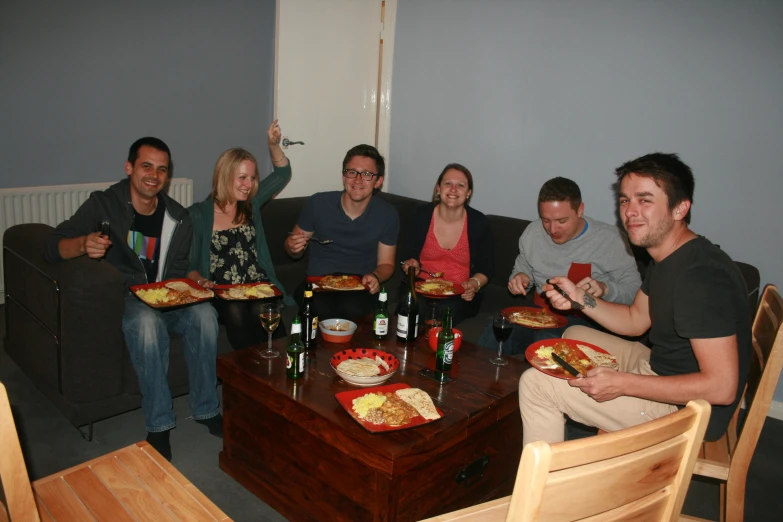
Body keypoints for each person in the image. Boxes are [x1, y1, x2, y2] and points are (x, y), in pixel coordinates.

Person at [520, 152, 751, 445]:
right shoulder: (668, 257)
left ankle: (546, 488)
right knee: (573, 334)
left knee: (536, 384)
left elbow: (722, 387)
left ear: (680, 208)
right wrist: (579, 298)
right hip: (661, 367)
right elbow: (635, 321)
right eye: (625, 200)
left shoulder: (700, 278)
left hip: (688, 410)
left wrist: (624, 384)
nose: (630, 211)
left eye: (645, 200)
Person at [44, 137, 221, 461]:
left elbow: (179, 269)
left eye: (162, 169)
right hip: (129, 300)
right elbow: (52, 245)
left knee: (206, 315)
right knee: (146, 322)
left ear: (167, 176)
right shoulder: (104, 205)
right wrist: (84, 243)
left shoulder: (178, 218)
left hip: (167, 297)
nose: (154, 175)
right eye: (146, 166)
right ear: (129, 168)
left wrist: (194, 284)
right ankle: (159, 424)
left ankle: (207, 409)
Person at [478, 177, 641, 354]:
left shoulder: (611, 240)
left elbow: (634, 293)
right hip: (541, 313)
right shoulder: (532, 232)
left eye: (562, 221)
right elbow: (523, 267)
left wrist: (605, 289)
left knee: (547, 341)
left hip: (586, 318)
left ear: (580, 210)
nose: (552, 229)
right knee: (496, 327)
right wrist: (521, 277)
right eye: (546, 220)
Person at [187, 121, 293, 350]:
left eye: (252, 178)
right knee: (236, 310)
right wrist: (201, 281)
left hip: (257, 288)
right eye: (242, 178)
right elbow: (190, 266)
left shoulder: (250, 205)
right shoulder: (198, 215)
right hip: (222, 294)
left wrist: (273, 145)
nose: (249, 185)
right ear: (225, 176)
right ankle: (248, 373)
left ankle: (283, 366)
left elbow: (283, 174)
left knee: (261, 308)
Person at [285, 144, 399, 320]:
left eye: (367, 175)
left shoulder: (388, 214)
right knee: (319, 307)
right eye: (352, 172)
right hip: (319, 282)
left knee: (353, 309)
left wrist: (375, 276)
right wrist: (293, 247)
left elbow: (386, 264)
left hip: (360, 284)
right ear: (344, 176)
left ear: (378, 182)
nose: (358, 180)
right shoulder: (318, 204)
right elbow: (292, 248)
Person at [399, 163, 494, 325]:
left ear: (469, 193)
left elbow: (487, 268)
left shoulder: (479, 223)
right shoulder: (421, 215)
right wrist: (410, 264)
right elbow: (406, 254)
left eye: (460, 185)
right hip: (422, 288)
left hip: (460, 294)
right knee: (413, 306)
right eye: (448, 183)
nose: (453, 189)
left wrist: (473, 284)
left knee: (447, 311)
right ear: (438, 188)